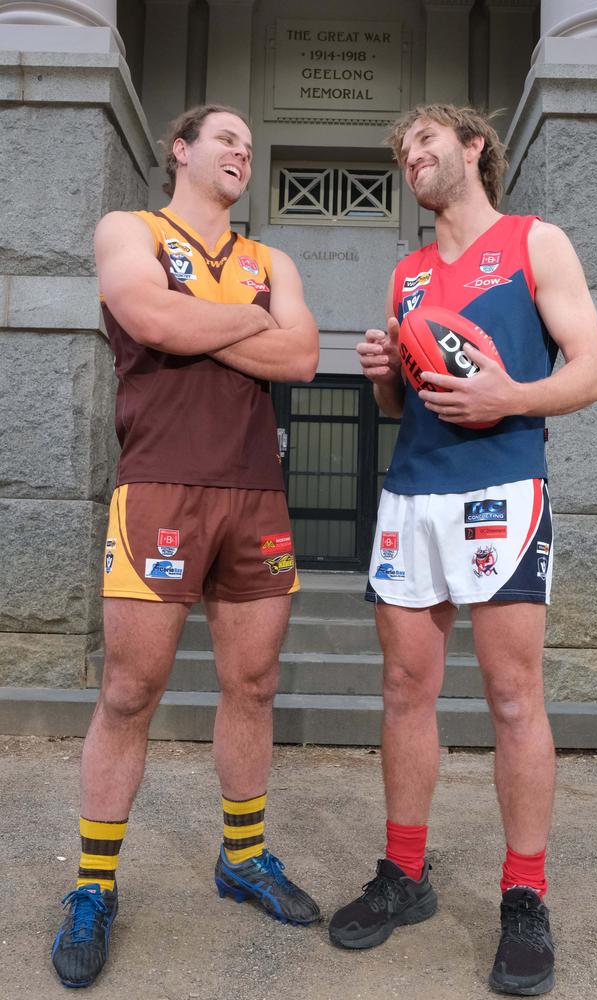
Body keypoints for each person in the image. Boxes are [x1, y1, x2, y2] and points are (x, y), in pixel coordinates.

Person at [328, 104, 597, 997]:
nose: (411, 156)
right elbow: (399, 409)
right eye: (402, 149)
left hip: (502, 489)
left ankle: (524, 896)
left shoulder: (536, 241)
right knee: (405, 689)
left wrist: (508, 395)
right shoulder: (407, 275)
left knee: (513, 696)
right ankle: (403, 873)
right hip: (413, 493)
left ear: (473, 146)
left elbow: (591, 372)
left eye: (424, 141)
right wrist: (382, 381)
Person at [51, 104, 321, 989]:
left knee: (252, 684)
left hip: (254, 493)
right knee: (131, 690)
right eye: (226, 140)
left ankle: (243, 857)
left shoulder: (270, 258)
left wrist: (209, 317)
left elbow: (306, 355)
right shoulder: (129, 228)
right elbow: (150, 320)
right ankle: (93, 885)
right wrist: (250, 322)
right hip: (159, 487)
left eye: (250, 145)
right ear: (181, 148)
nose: (243, 153)